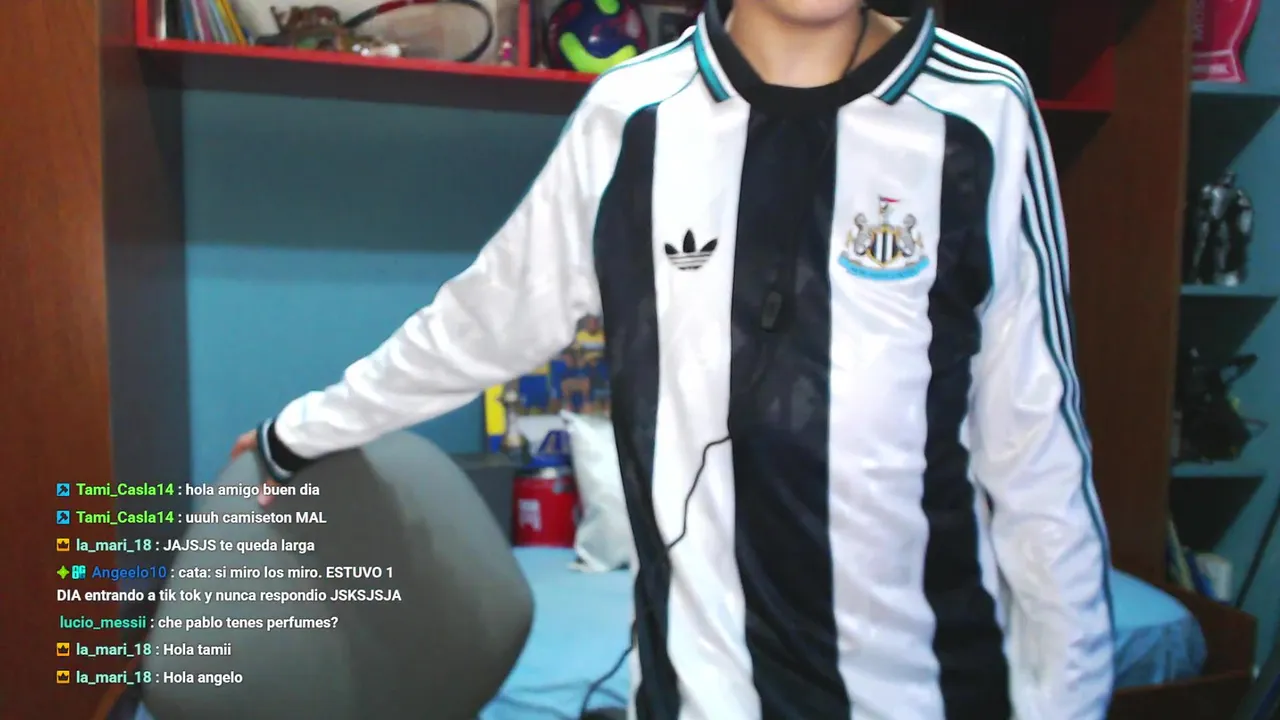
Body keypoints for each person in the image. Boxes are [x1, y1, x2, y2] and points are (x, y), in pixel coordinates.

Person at [230, 0, 1115, 716]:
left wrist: (1069, 703)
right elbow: (483, 319)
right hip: (699, 695)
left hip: (934, 692)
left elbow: (1037, 455)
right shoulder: (632, 117)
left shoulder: (981, 110)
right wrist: (298, 433)